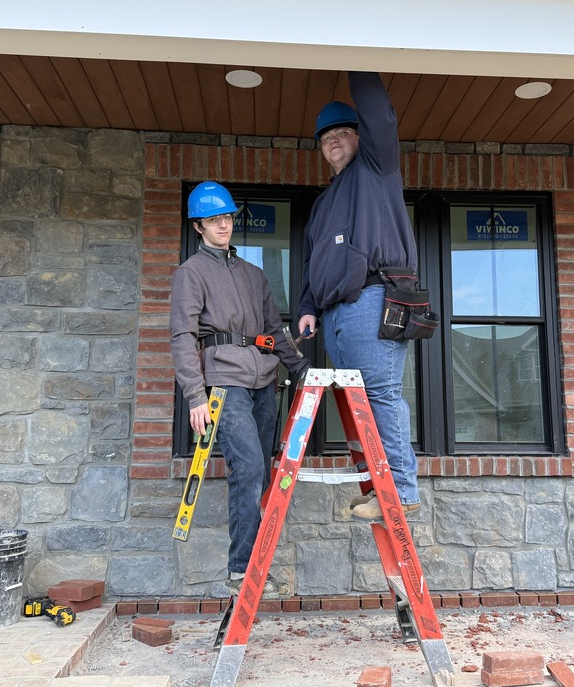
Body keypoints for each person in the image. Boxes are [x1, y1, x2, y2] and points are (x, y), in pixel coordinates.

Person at [170, 181, 309, 596]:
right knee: (247, 468)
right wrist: (195, 396)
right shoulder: (190, 273)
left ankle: (256, 565)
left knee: (261, 471)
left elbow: (272, 331)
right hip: (224, 384)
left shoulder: (253, 275)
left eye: (227, 217)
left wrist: (300, 368)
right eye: (214, 219)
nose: (223, 225)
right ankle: (240, 570)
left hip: (264, 382)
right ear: (199, 226)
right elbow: (182, 336)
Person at [296, 71, 421, 520]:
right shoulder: (323, 204)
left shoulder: (376, 169)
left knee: (382, 394)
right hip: (334, 315)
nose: (333, 140)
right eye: (325, 136)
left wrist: (357, 58)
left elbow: (379, 118)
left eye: (342, 131)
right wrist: (308, 309)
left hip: (372, 301)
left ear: (359, 137)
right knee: (362, 403)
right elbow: (312, 263)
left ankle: (401, 492)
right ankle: (380, 488)